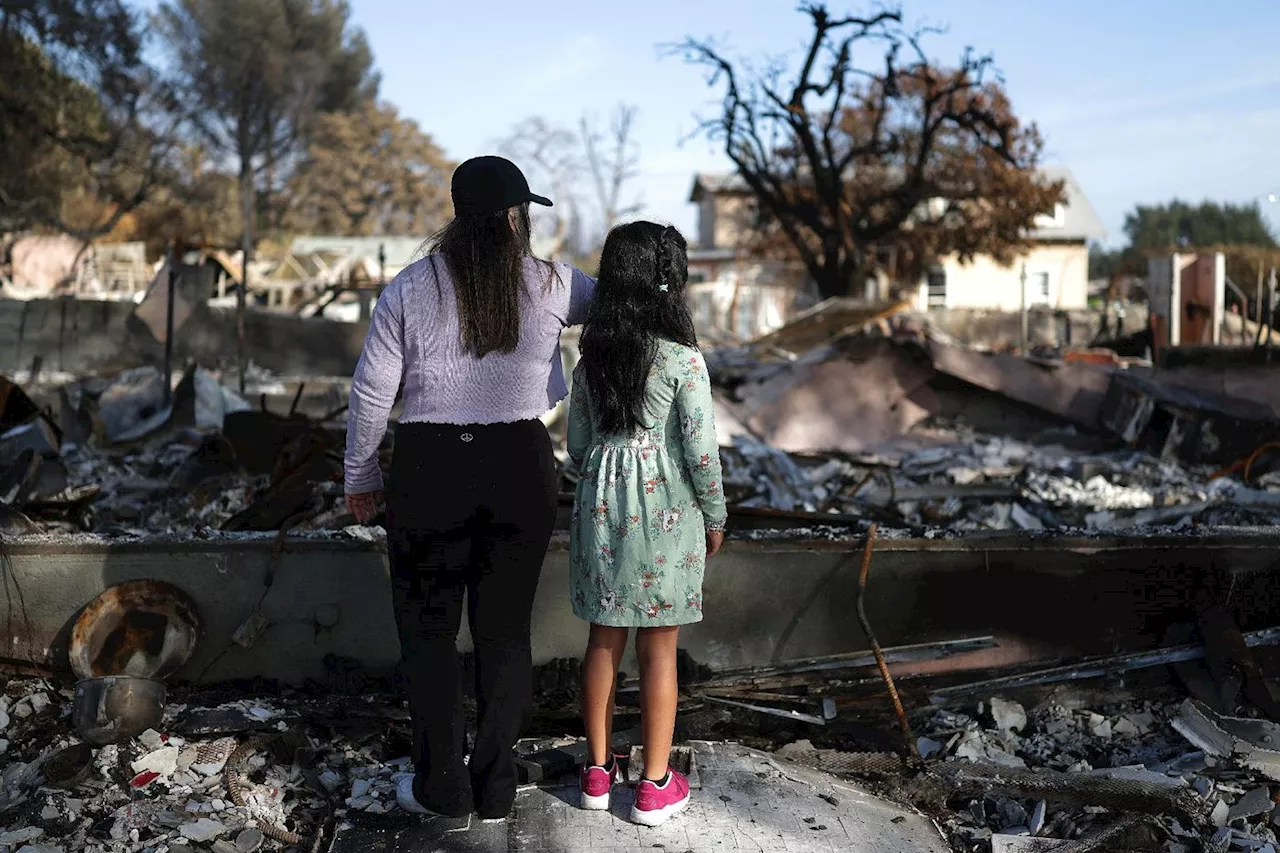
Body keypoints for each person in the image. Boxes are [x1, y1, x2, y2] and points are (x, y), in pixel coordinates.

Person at [343, 155, 596, 821]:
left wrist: (362, 475)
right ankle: (495, 784)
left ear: (459, 216)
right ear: (515, 216)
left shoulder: (410, 286)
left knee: (428, 634)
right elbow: (626, 302)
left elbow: (371, 392)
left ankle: (442, 787)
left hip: (430, 469)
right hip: (519, 464)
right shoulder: (554, 283)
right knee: (505, 632)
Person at [565, 221, 726, 827]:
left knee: (601, 641)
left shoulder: (591, 362)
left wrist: (609, 466)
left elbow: (578, 446)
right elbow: (699, 449)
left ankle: (598, 775)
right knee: (660, 651)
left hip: (599, 506)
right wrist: (714, 513)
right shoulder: (684, 361)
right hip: (665, 509)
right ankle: (655, 786)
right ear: (669, 282)